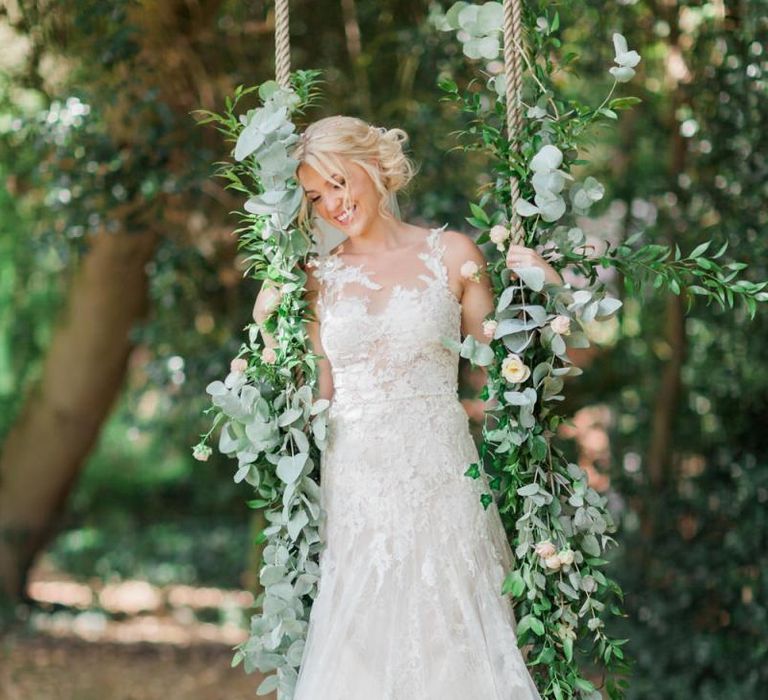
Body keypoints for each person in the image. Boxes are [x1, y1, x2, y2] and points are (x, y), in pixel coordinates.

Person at [252, 115, 560, 699]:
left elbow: (503, 372)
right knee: (362, 643)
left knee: (453, 634)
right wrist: (268, 330)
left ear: (373, 168)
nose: (332, 206)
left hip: (441, 473)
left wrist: (541, 293)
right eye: (316, 196)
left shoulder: (451, 255)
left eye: (339, 184)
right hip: (359, 482)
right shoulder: (316, 279)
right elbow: (316, 395)